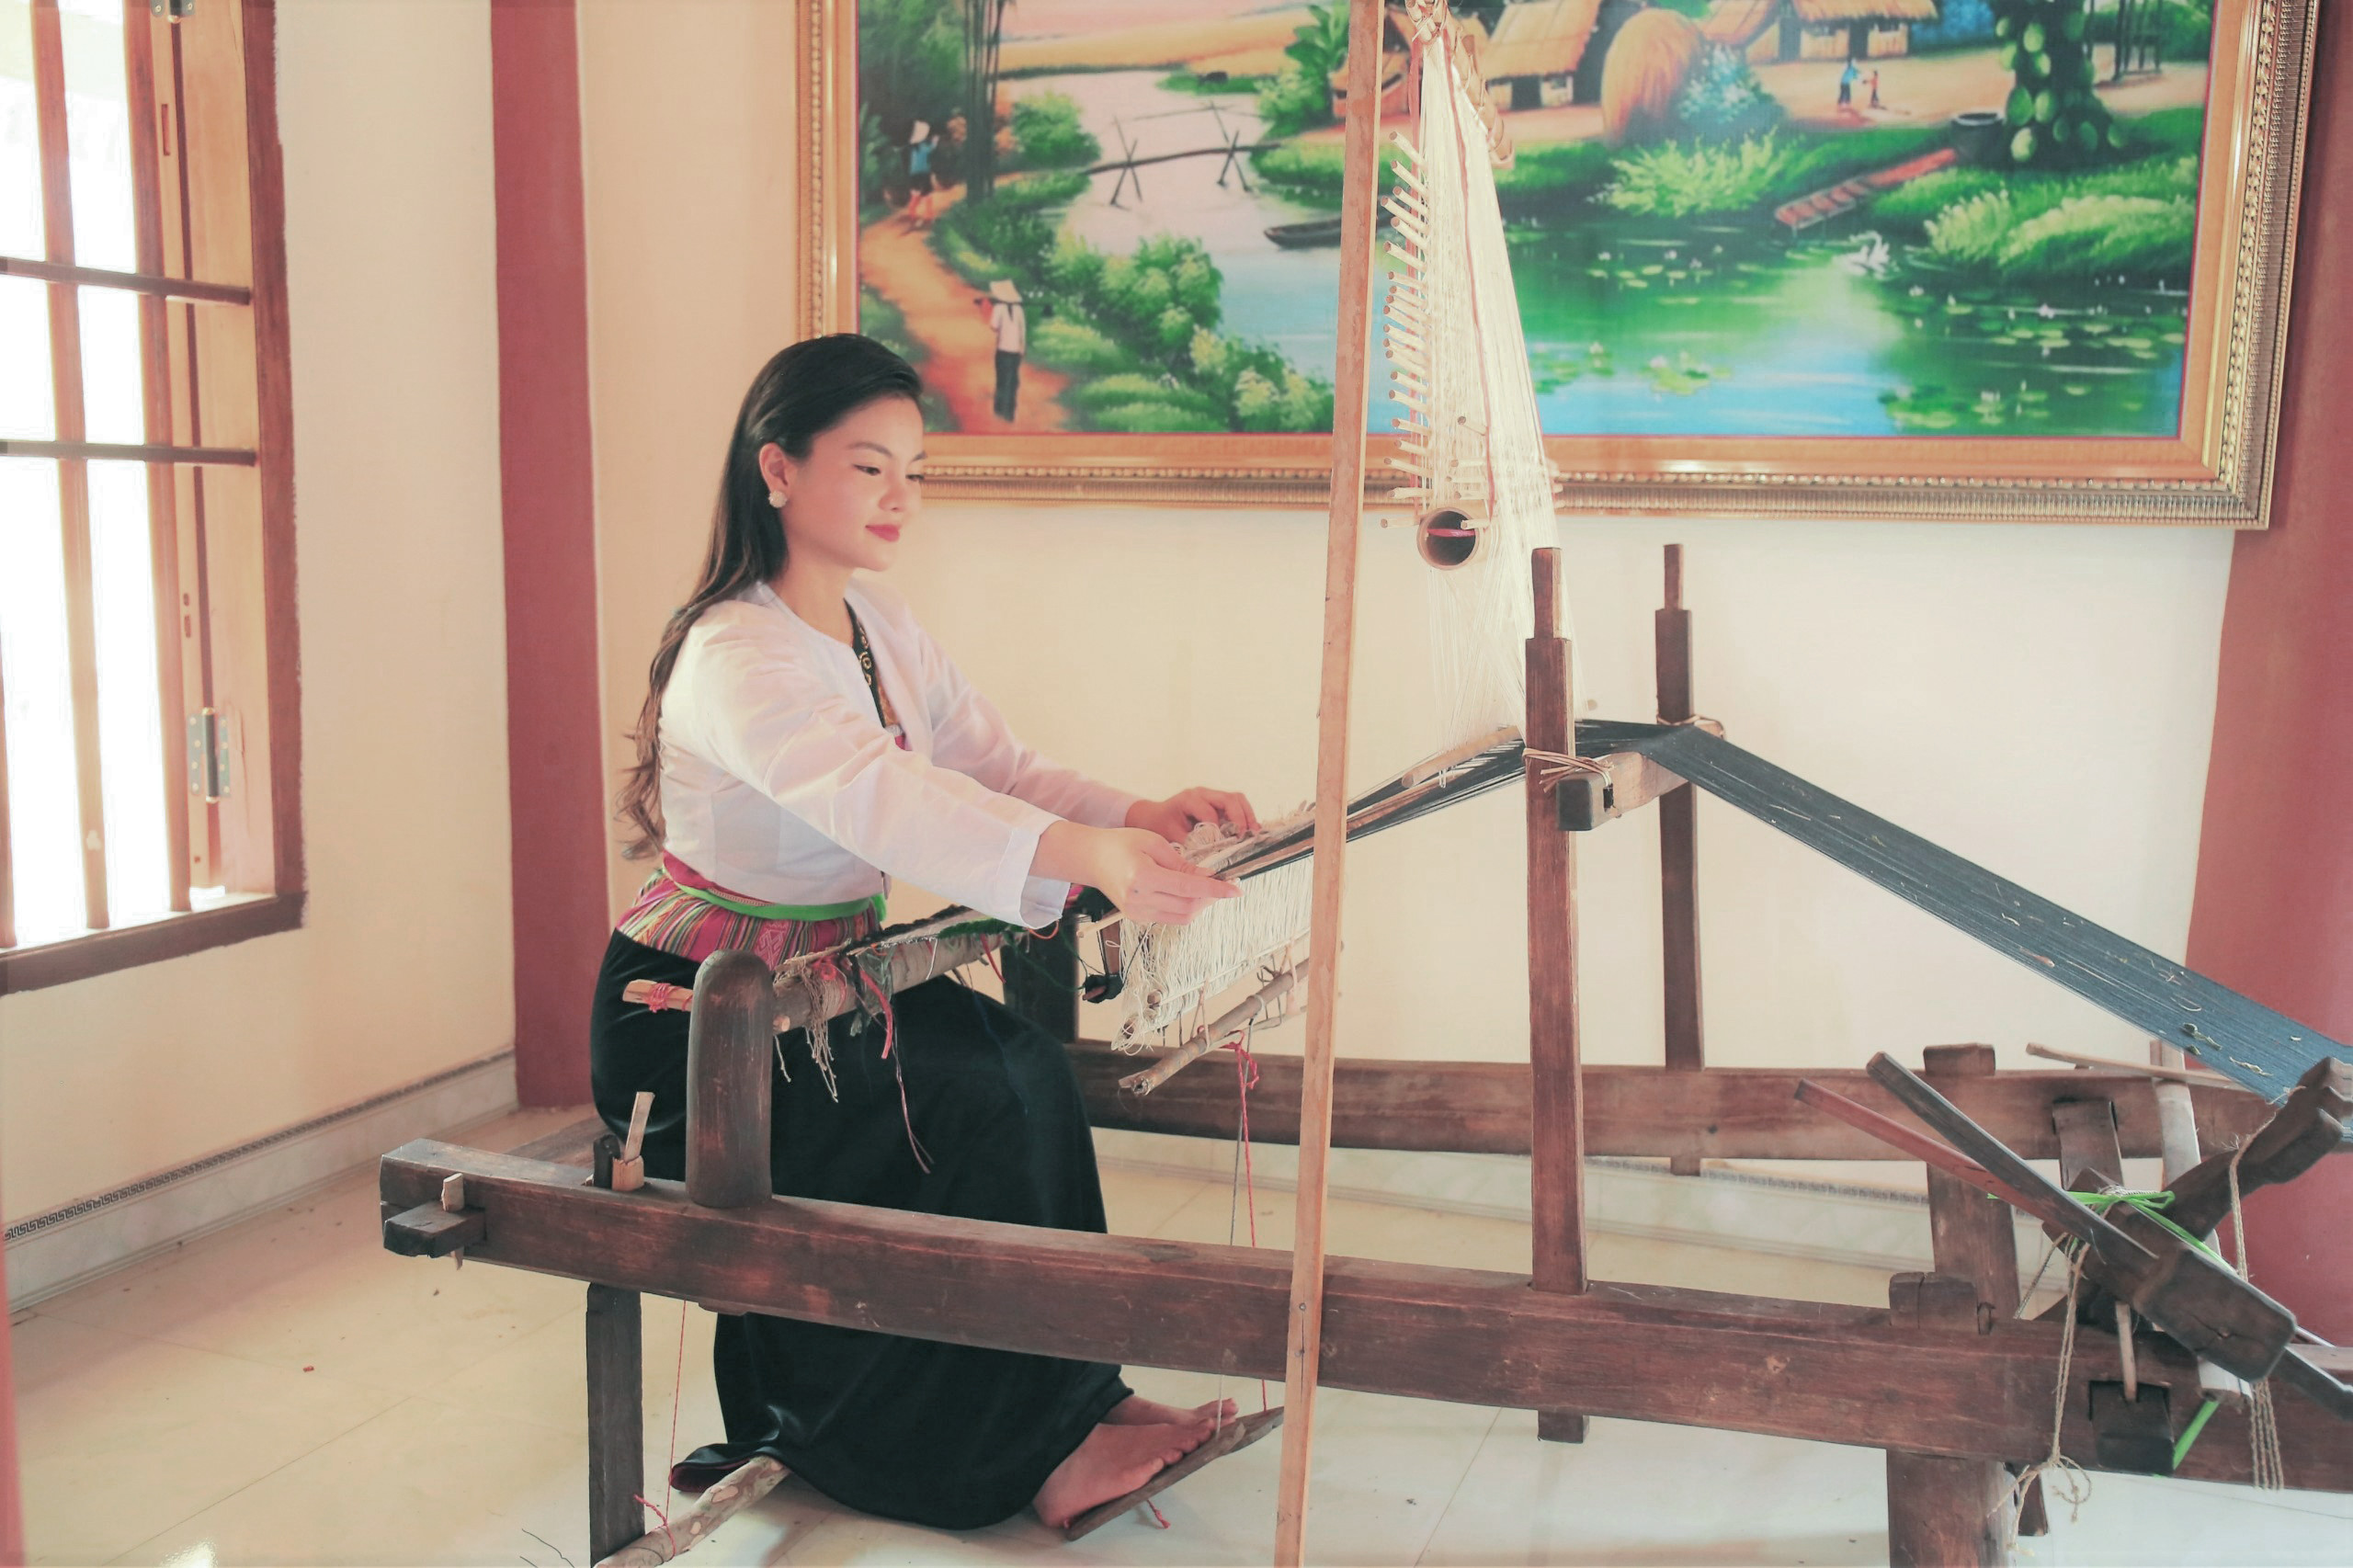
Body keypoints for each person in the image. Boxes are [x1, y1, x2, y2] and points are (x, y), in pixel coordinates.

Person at [592, 334, 1263, 1533]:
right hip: (699, 1023)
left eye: (914, 470)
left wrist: (1136, 816)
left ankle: (1084, 1398)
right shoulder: (734, 652)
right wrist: (1089, 857)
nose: (900, 496)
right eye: (869, 466)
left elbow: (995, 765)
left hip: (822, 988)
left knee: (1027, 1070)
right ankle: (1029, 1451)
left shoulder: (877, 622)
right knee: (979, 1102)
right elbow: (885, 797)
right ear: (778, 469)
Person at [984, 278, 1027, 425]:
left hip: (1003, 350)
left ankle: (999, 410)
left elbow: (993, 326)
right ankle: (1009, 413)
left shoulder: (999, 308)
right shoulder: (1019, 309)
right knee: (1013, 381)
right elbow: (1022, 330)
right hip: (1015, 351)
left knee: (1002, 380)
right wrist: (1022, 347)